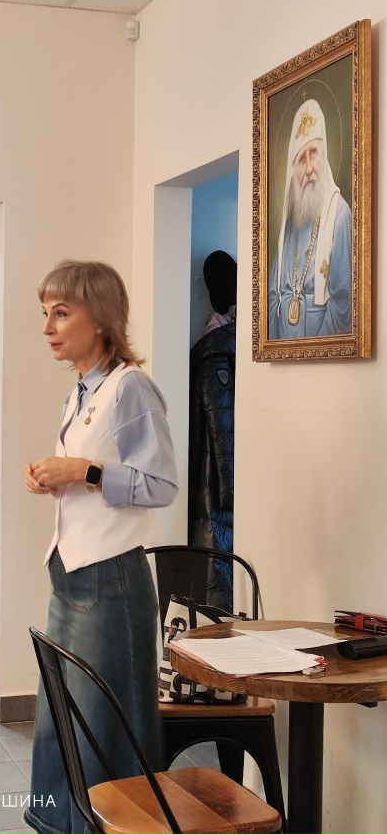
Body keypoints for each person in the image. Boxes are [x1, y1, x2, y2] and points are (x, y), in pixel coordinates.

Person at [24, 259, 178, 834]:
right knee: (60, 718)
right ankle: (58, 825)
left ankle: (106, 827)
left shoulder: (130, 387)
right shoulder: (81, 392)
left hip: (111, 580)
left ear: (101, 318)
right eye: (46, 313)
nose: (48, 327)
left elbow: (161, 485)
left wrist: (83, 471)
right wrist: (54, 476)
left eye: (61, 313)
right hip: (70, 576)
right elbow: (94, 476)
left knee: (103, 723)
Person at [268, 97, 352, 338]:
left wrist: (313, 350)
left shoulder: (339, 214)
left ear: (324, 155)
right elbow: (273, 295)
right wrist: (278, 346)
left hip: (318, 344)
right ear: (293, 168)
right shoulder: (290, 223)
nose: (308, 169)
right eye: (301, 159)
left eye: (312, 153)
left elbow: (342, 300)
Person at [188, 251, 236, 610]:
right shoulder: (222, 351)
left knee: (220, 567)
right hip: (222, 482)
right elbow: (222, 426)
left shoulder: (217, 348)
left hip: (216, 480)